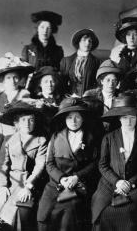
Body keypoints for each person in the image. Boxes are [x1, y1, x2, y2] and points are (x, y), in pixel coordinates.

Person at [91, 94, 137, 231]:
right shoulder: (109, 138)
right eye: (125, 118)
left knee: (126, 212)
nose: (128, 122)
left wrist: (130, 183)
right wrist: (117, 181)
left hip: (134, 185)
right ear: (119, 119)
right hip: (110, 183)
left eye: (132, 118)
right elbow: (103, 165)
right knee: (102, 209)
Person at [37, 97, 99, 231]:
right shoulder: (55, 136)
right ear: (64, 119)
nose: (74, 121)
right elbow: (49, 163)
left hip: (79, 184)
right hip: (56, 183)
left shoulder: (91, 137)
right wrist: (61, 178)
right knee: (43, 213)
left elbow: (95, 164)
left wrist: (77, 177)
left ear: (83, 118)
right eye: (70, 117)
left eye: (77, 117)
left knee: (70, 212)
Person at [0, 101, 47, 231]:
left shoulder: (41, 140)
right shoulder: (9, 139)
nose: (27, 123)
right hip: (10, 183)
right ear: (17, 123)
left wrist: (28, 186)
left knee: (20, 210)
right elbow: (2, 165)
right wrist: (2, 187)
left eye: (31, 120)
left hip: (31, 183)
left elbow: (40, 166)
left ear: (35, 122)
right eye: (23, 120)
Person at [0, 53, 34, 135]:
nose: (12, 81)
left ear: (19, 78)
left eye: (15, 77)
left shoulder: (25, 95)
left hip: (17, 134)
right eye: (8, 78)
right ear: (3, 80)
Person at [83, 59, 123, 132]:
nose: (111, 84)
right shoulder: (90, 96)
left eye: (114, 80)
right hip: (94, 132)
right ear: (101, 81)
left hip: (114, 133)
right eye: (108, 80)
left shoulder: (121, 97)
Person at [60, 29, 100, 96]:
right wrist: (69, 95)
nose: (87, 43)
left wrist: (90, 94)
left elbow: (98, 84)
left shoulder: (97, 62)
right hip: (70, 98)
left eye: (90, 41)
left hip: (89, 99)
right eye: (84, 40)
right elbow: (62, 83)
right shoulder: (66, 61)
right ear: (78, 42)